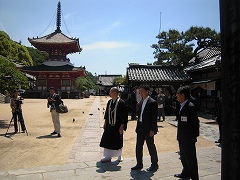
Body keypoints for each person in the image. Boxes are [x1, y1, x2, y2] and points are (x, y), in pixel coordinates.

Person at [131, 84, 159, 171]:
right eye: (140, 92)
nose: (140, 93)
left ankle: (154, 164)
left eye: (142, 91)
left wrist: (153, 129)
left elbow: (154, 118)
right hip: (140, 127)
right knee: (138, 146)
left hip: (148, 128)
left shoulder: (152, 102)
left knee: (150, 146)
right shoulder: (141, 102)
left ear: (147, 91)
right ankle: (139, 164)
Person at [174, 86, 199, 180]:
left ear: (182, 95)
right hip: (182, 137)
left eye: (177, 93)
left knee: (191, 159)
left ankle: (194, 177)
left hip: (188, 138)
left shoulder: (190, 107)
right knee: (184, 157)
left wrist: (193, 137)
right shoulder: (182, 105)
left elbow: (195, 123)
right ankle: (185, 173)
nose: (176, 95)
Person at [100, 87, 128, 163]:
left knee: (118, 140)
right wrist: (105, 123)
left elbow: (124, 115)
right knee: (108, 140)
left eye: (111, 92)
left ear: (115, 93)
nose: (109, 93)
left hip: (117, 125)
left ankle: (119, 155)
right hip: (109, 125)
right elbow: (106, 113)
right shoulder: (109, 102)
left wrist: (122, 126)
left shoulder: (121, 102)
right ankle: (108, 156)